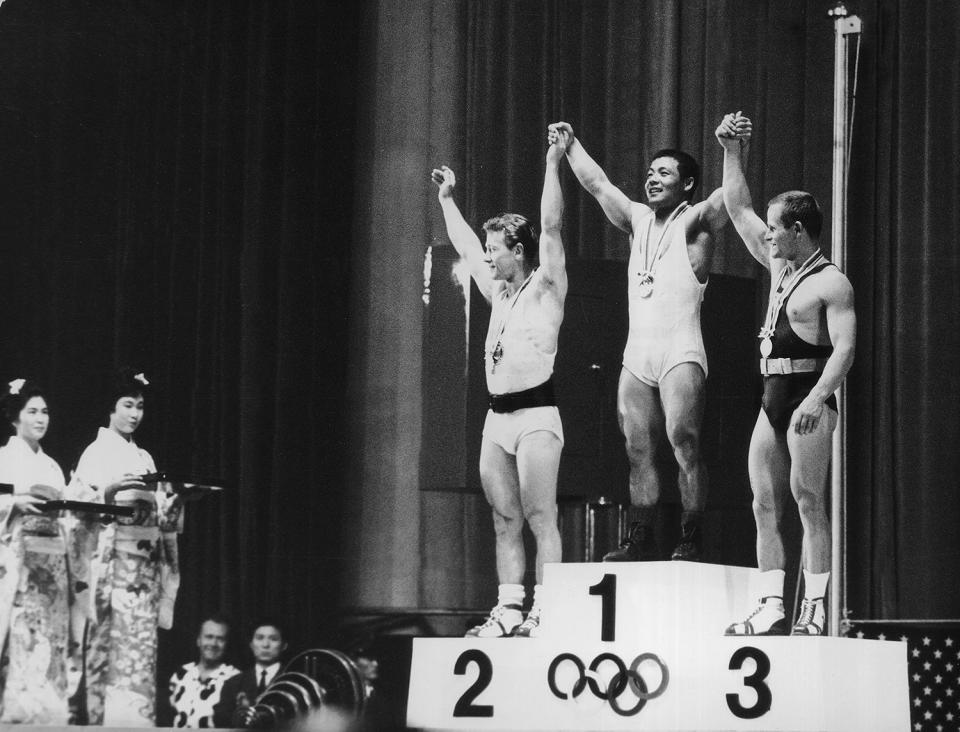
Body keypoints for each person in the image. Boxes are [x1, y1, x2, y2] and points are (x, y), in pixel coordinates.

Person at [548, 121, 729, 561]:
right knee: (636, 448)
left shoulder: (697, 221)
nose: (652, 178)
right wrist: (572, 146)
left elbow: (733, 198)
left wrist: (732, 149)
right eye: (650, 171)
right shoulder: (636, 219)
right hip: (638, 356)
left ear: (686, 184)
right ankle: (641, 535)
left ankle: (691, 534)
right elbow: (596, 184)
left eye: (664, 173)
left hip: (680, 352)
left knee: (683, 439)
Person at [715, 112, 855, 635]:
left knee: (808, 499)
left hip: (807, 393)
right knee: (763, 500)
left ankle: (814, 609)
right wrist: (732, 149)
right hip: (771, 395)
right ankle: (771, 605)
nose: (767, 236)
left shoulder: (832, 283)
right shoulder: (779, 266)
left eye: (776, 229)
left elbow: (844, 349)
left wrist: (817, 399)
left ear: (798, 230)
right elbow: (737, 206)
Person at [429, 132, 568, 638]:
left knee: (538, 514)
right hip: (497, 419)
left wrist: (553, 161)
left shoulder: (546, 288)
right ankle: (509, 608)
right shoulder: (499, 291)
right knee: (503, 518)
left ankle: (546, 608)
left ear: (518, 250)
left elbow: (550, 225)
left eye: (496, 250)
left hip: (536, 418)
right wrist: (447, 201)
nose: (487, 257)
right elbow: (465, 245)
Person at [67, 368, 183, 725]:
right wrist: (109, 491)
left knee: (140, 653)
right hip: (112, 568)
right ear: (112, 408)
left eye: (140, 406)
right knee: (111, 648)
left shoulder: (145, 458)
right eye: (127, 405)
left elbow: (162, 517)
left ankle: (138, 720)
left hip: (144, 577)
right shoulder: (95, 452)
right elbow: (76, 508)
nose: (134, 414)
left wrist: (174, 504)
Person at [0, 379, 76, 723]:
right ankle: (17, 717)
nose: (41, 418)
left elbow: (68, 518)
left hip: (54, 563)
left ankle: (51, 717)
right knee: (21, 639)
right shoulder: (3, 458)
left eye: (45, 411)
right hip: (19, 561)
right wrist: (14, 502)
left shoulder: (52, 466)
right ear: (15, 417)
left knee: (51, 642)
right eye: (32, 411)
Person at [213, 619, 288, 728]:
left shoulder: (292, 680)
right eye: (259, 638)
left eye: (273, 639)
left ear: (284, 645)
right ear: (251, 644)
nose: (265, 645)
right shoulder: (233, 683)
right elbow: (220, 721)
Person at [168, 616, 239, 728]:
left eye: (220, 639)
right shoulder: (181, 673)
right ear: (199, 640)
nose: (213, 643)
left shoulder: (235, 678)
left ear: (227, 644)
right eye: (209, 637)